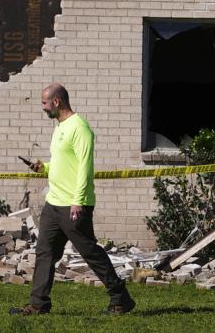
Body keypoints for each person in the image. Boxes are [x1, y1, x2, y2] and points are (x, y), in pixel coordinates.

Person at [9, 83, 135, 315]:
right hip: (54, 204)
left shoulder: (80, 128)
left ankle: (120, 298)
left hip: (73, 205)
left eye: (45, 103)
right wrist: (43, 167)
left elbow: (84, 168)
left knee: (90, 252)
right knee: (45, 252)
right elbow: (64, 165)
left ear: (57, 102)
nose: (43, 108)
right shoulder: (59, 128)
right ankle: (38, 305)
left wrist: (78, 201)